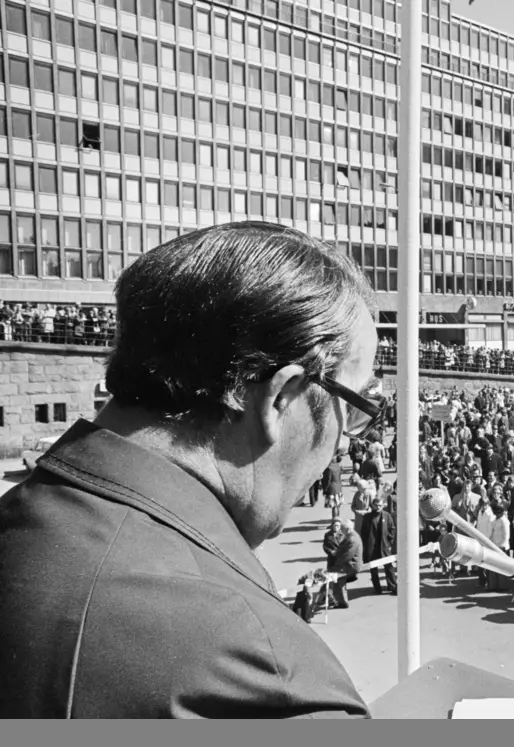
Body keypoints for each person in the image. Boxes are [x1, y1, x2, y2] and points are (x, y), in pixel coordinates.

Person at [0, 223, 378, 717]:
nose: (346, 444)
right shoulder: (256, 666)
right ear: (281, 400)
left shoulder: (20, 518)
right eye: (352, 408)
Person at [360, 492, 397, 595]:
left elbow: (392, 529)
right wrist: (365, 546)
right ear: (372, 505)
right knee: (373, 568)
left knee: (389, 567)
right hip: (371, 548)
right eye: (376, 505)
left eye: (380, 505)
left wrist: (390, 542)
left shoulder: (387, 515)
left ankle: (393, 586)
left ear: (383, 505)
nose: (378, 507)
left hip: (384, 546)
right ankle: (377, 588)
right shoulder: (367, 517)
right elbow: (363, 532)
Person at [328, 520, 363, 609]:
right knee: (334, 577)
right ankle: (338, 599)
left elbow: (347, 556)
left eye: (342, 529)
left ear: (347, 529)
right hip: (350, 563)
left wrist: (336, 565)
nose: (340, 531)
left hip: (351, 565)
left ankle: (342, 602)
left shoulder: (352, 539)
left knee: (335, 577)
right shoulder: (351, 535)